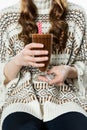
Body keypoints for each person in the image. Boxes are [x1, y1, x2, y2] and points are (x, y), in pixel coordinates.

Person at [0, 0, 87, 130]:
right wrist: (18, 60)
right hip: (20, 97)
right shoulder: (6, 17)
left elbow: (83, 62)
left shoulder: (76, 15)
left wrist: (68, 71)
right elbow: (5, 75)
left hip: (64, 96)